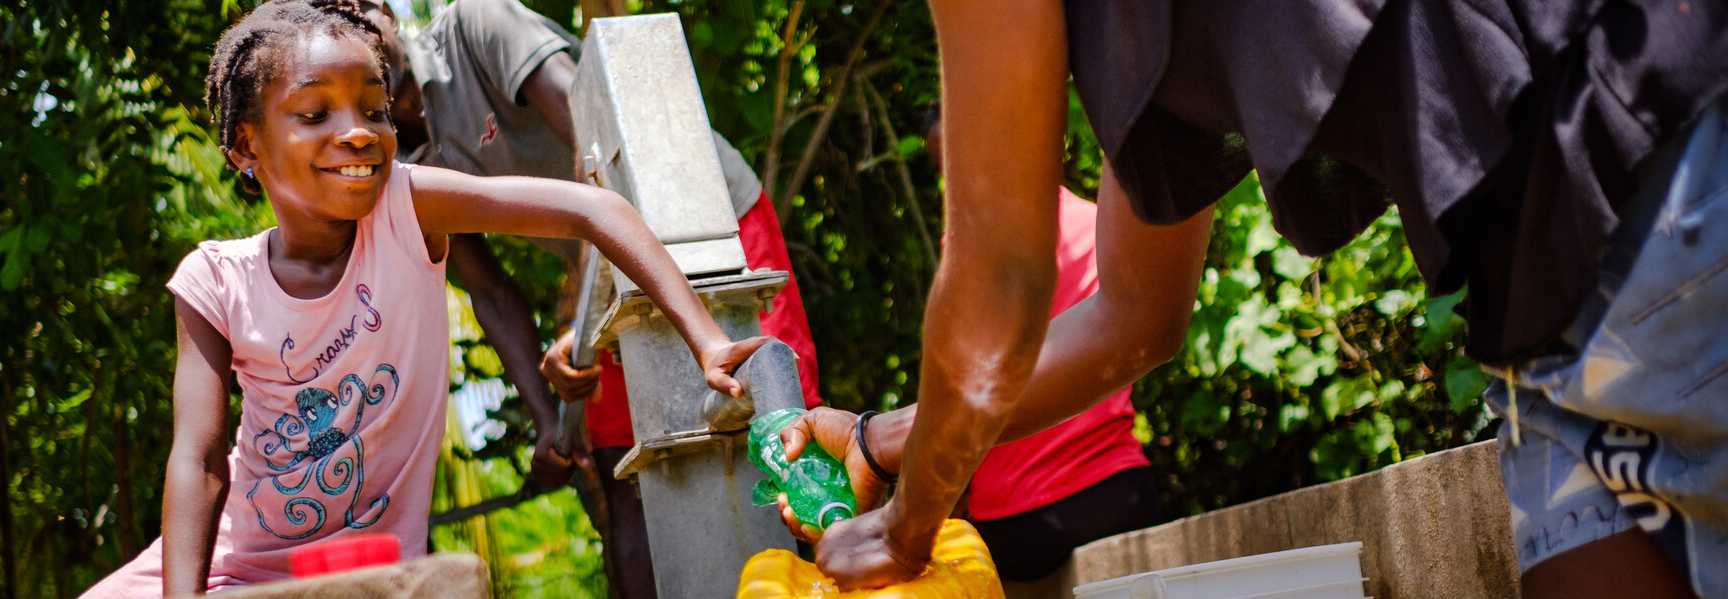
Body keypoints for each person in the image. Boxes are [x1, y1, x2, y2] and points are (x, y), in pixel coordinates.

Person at [778, 0, 1728, 597]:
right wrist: (878, 440)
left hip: (1637, 159)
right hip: (1555, 289)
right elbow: (1133, 320)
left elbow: (998, 290)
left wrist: (909, 529)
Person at [77, 1, 771, 595]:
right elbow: (197, 461)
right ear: (243, 146)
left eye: (374, 108)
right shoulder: (213, 279)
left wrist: (706, 339)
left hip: (367, 567)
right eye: (315, 112)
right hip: (231, 570)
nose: (356, 129)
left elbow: (595, 209)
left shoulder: (408, 205)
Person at [365, 1, 826, 597]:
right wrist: (545, 419)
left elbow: (596, 145)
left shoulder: (479, 25)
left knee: (786, 419)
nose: (347, 28)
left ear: (383, 9)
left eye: (352, 8)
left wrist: (584, 320)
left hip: (711, 220)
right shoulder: (381, 153)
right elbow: (489, 289)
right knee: (622, 466)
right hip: (604, 278)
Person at [931, 105, 1162, 583]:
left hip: (1016, 518)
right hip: (1117, 492)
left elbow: (963, 378)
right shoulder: (1100, 224)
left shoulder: (973, 245)